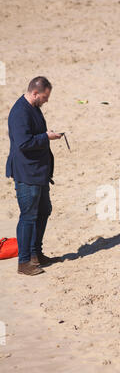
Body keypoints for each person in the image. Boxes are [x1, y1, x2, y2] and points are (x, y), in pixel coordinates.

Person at [6, 76, 62, 275]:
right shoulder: (20, 112)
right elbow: (23, 143)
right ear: (35, 92)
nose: (46, 100)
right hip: (26, 172)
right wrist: (46, 137)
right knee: (28, 216)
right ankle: (23, 262)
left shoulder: (34, 108)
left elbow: (33, 135)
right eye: (45, 97)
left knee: (44, 210)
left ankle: (36, 254)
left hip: (39, 171)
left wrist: (45, 134)